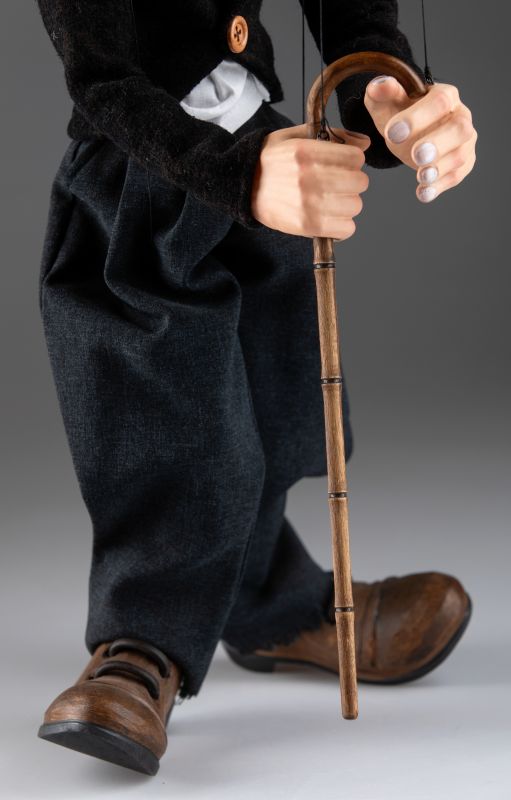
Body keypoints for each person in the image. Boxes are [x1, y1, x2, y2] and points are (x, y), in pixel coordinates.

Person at [34, 0, 477, 776]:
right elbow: (99, 73)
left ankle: (269, 600)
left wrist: (381, 85)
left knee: (273, 385)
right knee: (167, 406)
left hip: (261, 146)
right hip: (148, 171)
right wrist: (239, 174)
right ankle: (143, 639)